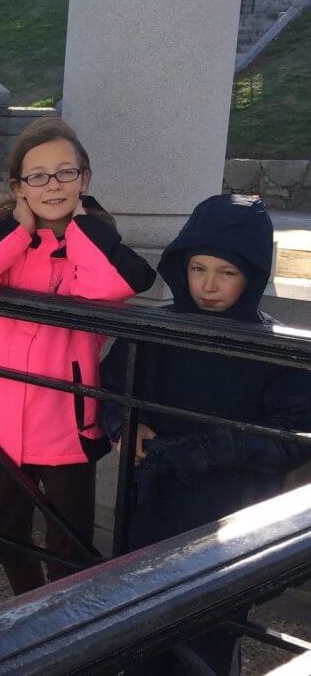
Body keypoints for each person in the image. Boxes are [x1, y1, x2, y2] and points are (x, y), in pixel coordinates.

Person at [0, 117, 156, 595]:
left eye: (65, 173)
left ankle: (67, 638)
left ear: (84, 179)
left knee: (68, 549)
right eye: (37, 175)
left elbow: (117, 284)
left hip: (65, 423)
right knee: (6, 539)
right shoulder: (4, 237)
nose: (52, 185)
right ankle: (30, 611)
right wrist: (18, 231)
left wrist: (78, 226)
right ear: (19, 186)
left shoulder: (93, 240)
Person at [100, 194, 311, 675]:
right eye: (198, 269)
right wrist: (122, 425)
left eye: (227, 273)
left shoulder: (275, 347)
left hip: (229, 515)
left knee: (210, 638)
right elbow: (111, 385)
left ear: (252, 276)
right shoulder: (155, 328)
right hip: (153, 507)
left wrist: (214, 448)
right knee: (141, 630)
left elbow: (292, 436)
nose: (208, 286)